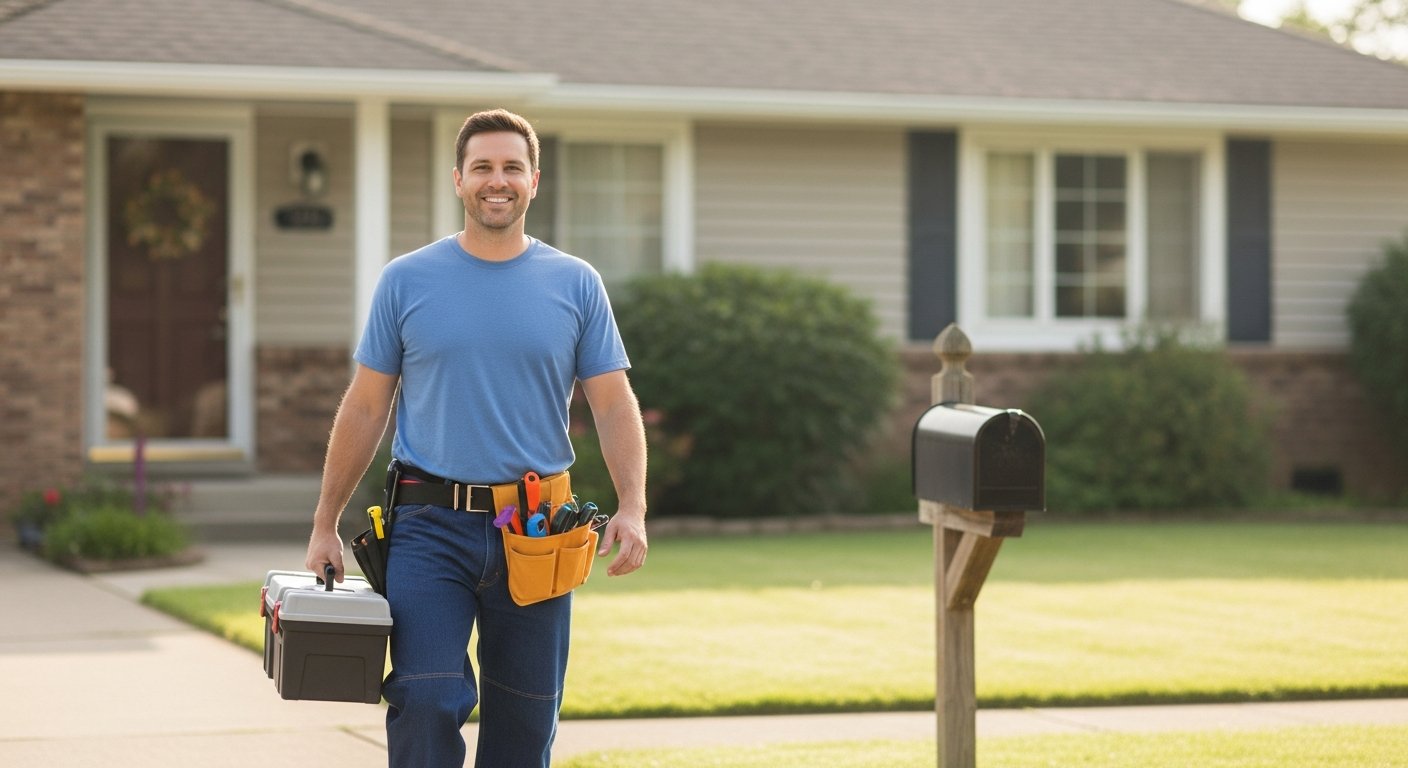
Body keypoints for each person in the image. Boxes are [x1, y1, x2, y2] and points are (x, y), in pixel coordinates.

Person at [303, 108, 649, 767]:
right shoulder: (406, 279)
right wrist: (324, 522)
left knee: (524, 725)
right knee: (426, 699)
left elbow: (612, 402)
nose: (498, 180)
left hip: (538, 529)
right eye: (483, 168)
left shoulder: (576, 284)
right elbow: (367, 405)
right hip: (428, 526)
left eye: (512, 167)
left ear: (534, 181)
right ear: (458, 179)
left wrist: (632, 505)